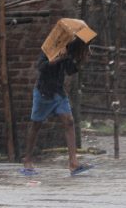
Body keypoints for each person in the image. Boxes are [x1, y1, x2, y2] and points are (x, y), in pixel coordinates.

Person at [21, 38, 93, 176]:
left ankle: (73, 162)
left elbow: (70, 70)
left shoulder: (68, 49)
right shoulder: (48, 48)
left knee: (69, 122)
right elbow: (41, 66)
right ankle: (27, 159)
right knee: (36, 125)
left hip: (59, 92)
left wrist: (80, 60)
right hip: (44, 92)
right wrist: (56, 59)